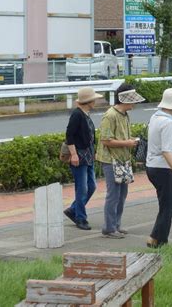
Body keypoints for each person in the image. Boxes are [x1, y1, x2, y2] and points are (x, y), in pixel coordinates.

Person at [96, 83, 145, 239]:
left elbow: (116, 137)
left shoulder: (123, 114)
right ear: (124, 100)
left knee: (122, 194)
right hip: (111, 159)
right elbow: (105, 140)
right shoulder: (110, 115)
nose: (134, 104)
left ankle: (115, 225)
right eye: (132, 101)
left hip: (122, 158)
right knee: (114, 194)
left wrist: (129, 140)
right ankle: (109, 228)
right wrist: (127, 143)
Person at [146, 88, 172, 249]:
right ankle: (158, 240)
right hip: (162, 168)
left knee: (168, 203)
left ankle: (156, 237)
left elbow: (162, 142)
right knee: (169, 204)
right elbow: (165, 150)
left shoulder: (155, 117)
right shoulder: (168, 122)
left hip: (153, 166)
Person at [63, 87, 103, 230]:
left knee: (91, 186)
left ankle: (73, 209)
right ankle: (80, 218)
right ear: (89, 101)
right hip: (79, 156)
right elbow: (69, 136)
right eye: (94, 99)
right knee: (82, 188)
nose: (96, 101)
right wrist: (73, 154)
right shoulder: (77, 115)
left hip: (88, 156)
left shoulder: (85, 114)